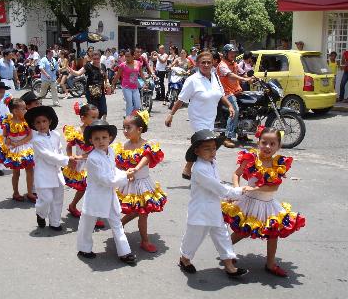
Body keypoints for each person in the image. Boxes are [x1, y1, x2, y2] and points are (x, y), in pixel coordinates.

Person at [222, 127, 306, 277]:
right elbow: (237, 174)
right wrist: (236, 190)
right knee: (242, 232)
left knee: (273, 233)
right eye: (264, 142)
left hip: (268, 203)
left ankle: (270, 264)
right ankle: (225, 251)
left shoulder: (279, 163)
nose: (267, 146)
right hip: (249, 202)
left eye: (272, 144)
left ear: (278, 146)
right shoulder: (251, 158)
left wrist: (253, 189)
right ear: (258, 142)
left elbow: (275, 186)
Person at [179, 129, 250, 277]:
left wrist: (227, 195)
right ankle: (184, 258)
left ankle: (229, 266)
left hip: (213, 208)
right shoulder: (199, 169)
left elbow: (217, 184)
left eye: (214, 148)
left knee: (222, 235)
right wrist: (238, 191)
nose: (212, 152)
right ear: (196, 151)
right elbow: (217, 187)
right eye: (207, 149)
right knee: (193, 238)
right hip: (200, 211)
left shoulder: (212, 162)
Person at [165, 51, 235, 179]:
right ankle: (209, 174)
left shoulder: (215, 76)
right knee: (207, 144)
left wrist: (230, 106)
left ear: (213, 63)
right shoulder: (192, 80)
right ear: (197, 64)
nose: (206, 65)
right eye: (203, 62)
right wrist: (171, 114)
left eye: (209, 62)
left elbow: (220, 94)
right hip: (197, 117)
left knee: (201, 144)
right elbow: (181, 99)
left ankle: (188, 169)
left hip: (210, 117)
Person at [76, 120, 137, 264]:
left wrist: (123, 172)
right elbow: (106, 180)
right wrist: (125, 176)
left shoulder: (110, 151)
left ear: (110, 138)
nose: (101, 141)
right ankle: (84, 248)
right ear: (91, 140)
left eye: (104, 137)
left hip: (109, 196)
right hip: (96, 196)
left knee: (116, 223)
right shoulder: (93, 158)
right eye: (96, 138)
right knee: (87, 223)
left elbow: (112, 170)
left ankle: (124, 252)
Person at [112, 110, 166, 253]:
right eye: (123, 128)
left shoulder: (147, 144)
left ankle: (144, 240)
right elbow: (118, 163)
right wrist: (123, 172)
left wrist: (135, 169)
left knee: (143, 213)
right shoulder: (123, 146)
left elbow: (146, 158)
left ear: (140, 129)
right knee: (135, 210)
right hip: (128, 184)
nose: (125, 131)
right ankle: (121, 224)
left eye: (128, 128)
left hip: (143, 184)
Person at [25, 105, 75, 229]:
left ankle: (55, 222)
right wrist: (67, 160)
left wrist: (65, 163)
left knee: (58, 199)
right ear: (34, 125)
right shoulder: (36, 140)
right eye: (38, 122)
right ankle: (40, 213)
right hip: (43, 174)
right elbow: (47, 155)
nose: (42, 125)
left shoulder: (56, 135)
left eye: (44, 121)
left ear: (50, 121)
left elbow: (59, 150)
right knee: (46, 199)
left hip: (57, 172)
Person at [63, 103, 105, 229]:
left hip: (95, 164)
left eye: (97, 117)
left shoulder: (97, 132)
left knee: (91, 191)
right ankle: (86, 214)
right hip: (83, 166)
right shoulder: (76, 132)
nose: (96, 120)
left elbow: (97, 150)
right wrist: (70, 158)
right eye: (93, 117)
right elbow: (69, 146)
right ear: (82, 118)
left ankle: (79, 209)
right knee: (86, 190)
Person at [0, 98, 36, 203]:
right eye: (23, 109)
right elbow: (5, 136)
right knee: (16, 172)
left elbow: (30, 136)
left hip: (26, 148)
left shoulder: (26, 121)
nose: (26, 111)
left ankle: (30, 192)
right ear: (15, 111)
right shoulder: (7, 122)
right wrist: (8, 140)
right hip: (14, 150)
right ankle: (16, 192)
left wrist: (19, 143)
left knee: (30, 170)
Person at [217, 44, 252, 148]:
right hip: (226, 92)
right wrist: (244, 80)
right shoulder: (222, 65)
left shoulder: (234, 64)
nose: (233, 55)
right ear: (225, 53)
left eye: (234, 53)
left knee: (247, 108)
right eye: (231, 53)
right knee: (235, 110)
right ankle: (227, 137)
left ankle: (242, 134)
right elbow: (230, 75)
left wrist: (253, 78)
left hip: (236, 91)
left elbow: (243, 73)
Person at [69, 50, 109, 120]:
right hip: (91, 91)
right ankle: (94, 124)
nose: (96, 60)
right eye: (94, 59)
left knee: (103, 109)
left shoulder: (102, 66)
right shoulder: (88, 65)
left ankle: (103, 123)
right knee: (94, 109)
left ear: (100, 57)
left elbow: (105, 76)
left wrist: (107, 84)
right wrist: (72, 71)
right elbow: (78, 73)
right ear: (91, 58)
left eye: (98, 58)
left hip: (100, 91)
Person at [111, 49, 146, 116]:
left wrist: (146, 82)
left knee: (137, 105)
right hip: (126, 87)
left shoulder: (138, 63)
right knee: (129, 103)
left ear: (133, 56)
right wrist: (112, 85)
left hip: (135, 87)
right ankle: (127, 119)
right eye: (126, 56)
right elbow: (117, 76)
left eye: (128, 56)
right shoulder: (122, 65)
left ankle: (131, 117)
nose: (126, 58)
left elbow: (141, 74)